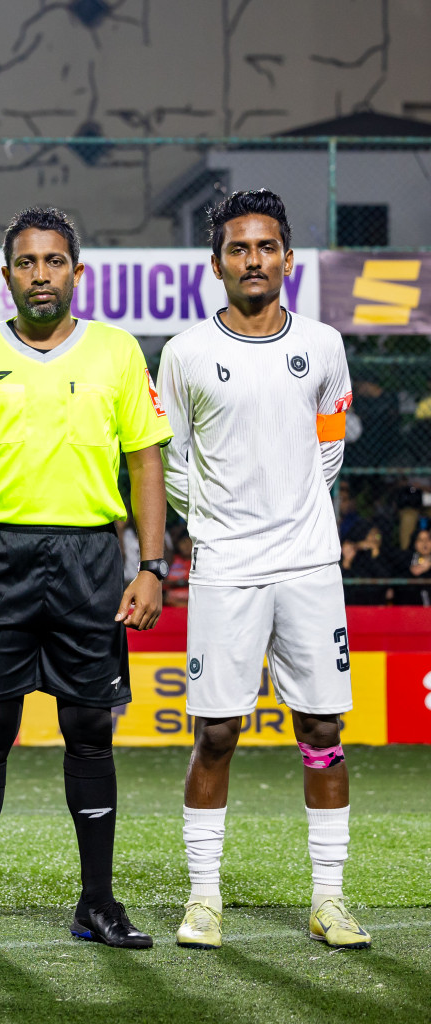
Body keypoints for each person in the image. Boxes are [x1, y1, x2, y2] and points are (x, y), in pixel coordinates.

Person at [0, 206, 171, 950]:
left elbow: (145, 459)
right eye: (26, 263)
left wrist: (150, 564)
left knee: (90, 730)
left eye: (54, 261)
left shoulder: (118, 353)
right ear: (6, 277)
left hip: (91, 559)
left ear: (76, 272)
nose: (40, 275)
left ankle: (97, 903)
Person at [159, 189, 369, 950]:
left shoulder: (323, 343)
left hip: (309, 562)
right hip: (225, 567)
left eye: (267, 246)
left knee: (322, 727)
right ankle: (204, 899)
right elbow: (174, 462)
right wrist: (215, 527)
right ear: (217, 264)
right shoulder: (184, 353)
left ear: (286, 258)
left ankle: (330, 900)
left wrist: (295, 511)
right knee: (216, 733)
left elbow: (329, 448)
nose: (254, 259)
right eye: (239, 248)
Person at [397, 528, 431, 606]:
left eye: (428, 539)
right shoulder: (406, 559)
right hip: (411, 606)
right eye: (420, 540)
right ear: (415, 543)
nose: (425, 543)